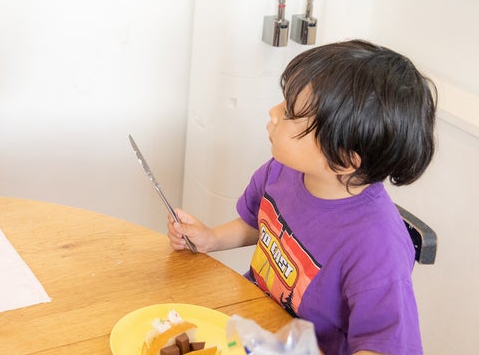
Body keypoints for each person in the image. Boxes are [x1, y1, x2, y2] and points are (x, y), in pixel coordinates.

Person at [168, 40, 436, 355]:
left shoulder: (378, 247)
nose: (273, 112)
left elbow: (386, 347)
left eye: (291, 112)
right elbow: (259, 223)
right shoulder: (282, 171)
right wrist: (212, 238)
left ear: (343, 157)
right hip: (250, 326)